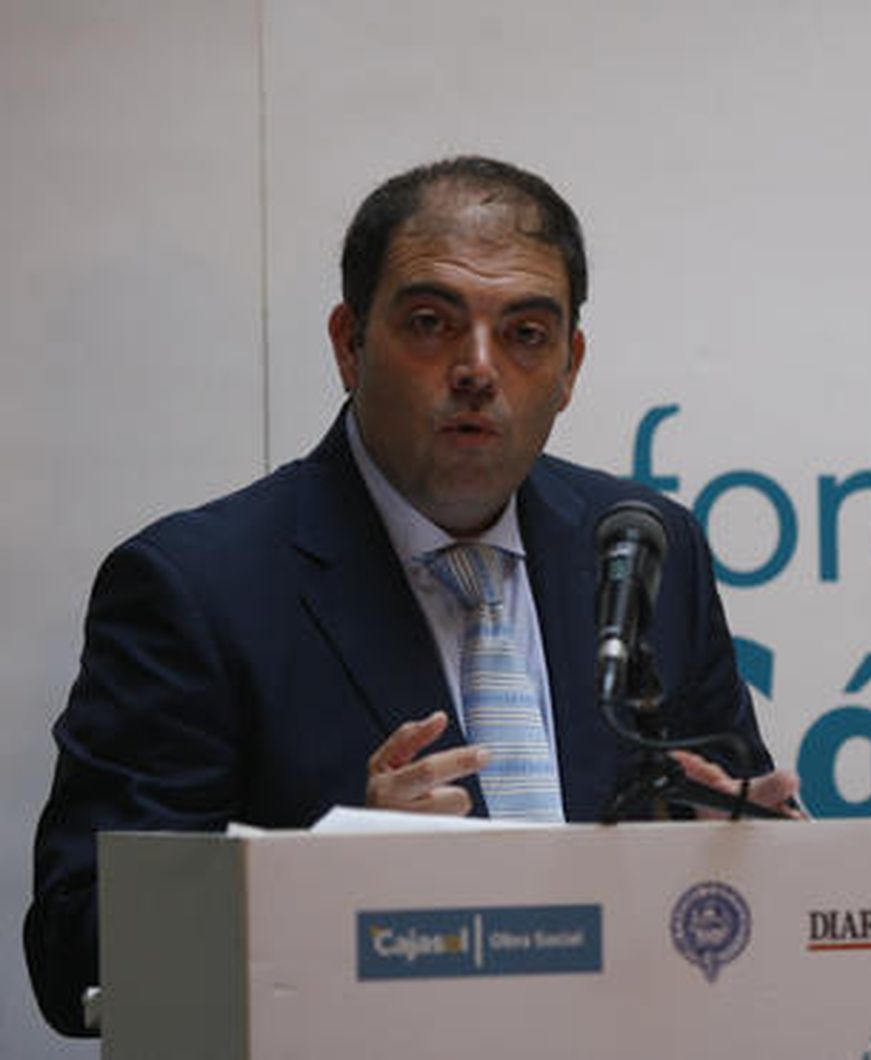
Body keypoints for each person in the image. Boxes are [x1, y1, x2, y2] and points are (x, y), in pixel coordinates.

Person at [25, 156, 799, 1037]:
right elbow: (73, 950)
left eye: (526, 333)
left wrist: (768, 853)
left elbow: (730, 857)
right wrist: (331, 884)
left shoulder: (642, 546)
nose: (478, 368)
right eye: (431, 325)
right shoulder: (195, 588)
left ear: (571, 367)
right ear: (348, 344)